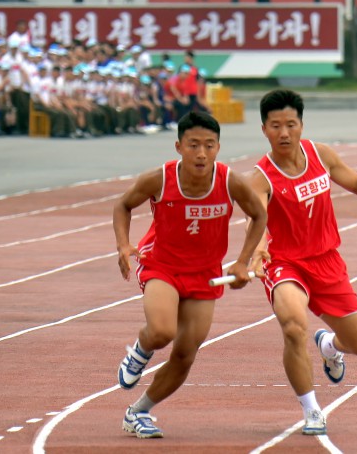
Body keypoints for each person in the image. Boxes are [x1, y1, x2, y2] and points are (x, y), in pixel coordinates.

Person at [248, 89, 357, 435]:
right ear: (264, 129)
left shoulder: (320, 154)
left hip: (327, 261)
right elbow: (255, 217)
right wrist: (258, 251)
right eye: (275, 126)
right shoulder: (260, 176)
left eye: (290, 124)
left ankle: (329, 345)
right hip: (285, 264)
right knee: (292, 326)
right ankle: (311, 409)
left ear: (301, 124)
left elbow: (355, 180)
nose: (284, 133)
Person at [114, 111, 268, 439]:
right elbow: (123, 205)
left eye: (209, 146)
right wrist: (123, 245)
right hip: (162, 266)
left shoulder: (230, 181)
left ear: (218, 147)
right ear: (178, 146)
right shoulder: (160, 179)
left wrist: (243, 261)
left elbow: (258, 214)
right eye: (193, 145)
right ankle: (140, 350)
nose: (201, 153)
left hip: (205, 274)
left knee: (185, 355)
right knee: (161, 331)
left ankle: (138, 412)